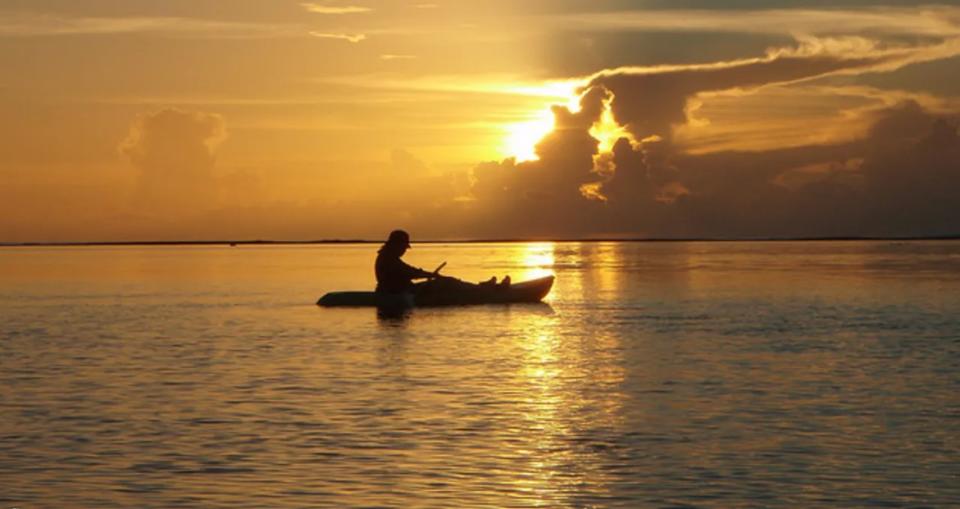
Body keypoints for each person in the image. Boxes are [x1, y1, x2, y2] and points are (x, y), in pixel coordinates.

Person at [374, 230, 510, 295]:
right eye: (404, 247)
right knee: (448, 283)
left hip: (405, 291)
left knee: (448, 282)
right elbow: (410, 272)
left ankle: (485, 288)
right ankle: (488, 290)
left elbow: (409, 271)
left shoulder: (387, 257)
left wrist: (430, 275)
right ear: (396, 245)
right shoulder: (389, 260)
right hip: (403, 294)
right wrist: (432, 276)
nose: (404, 250)